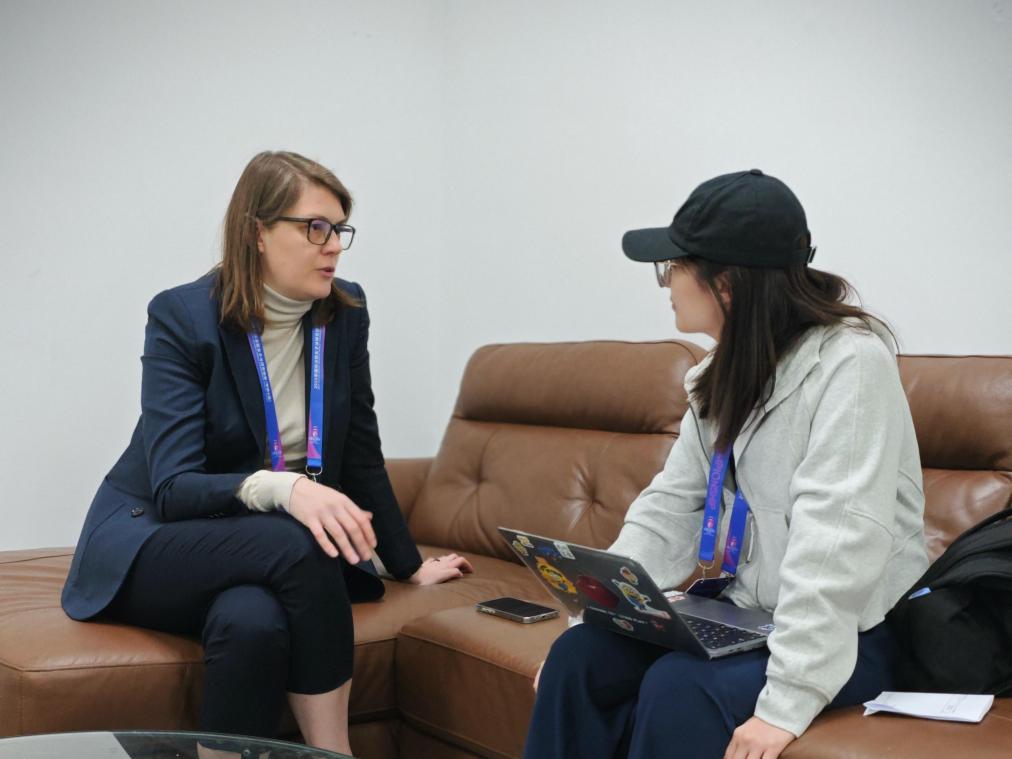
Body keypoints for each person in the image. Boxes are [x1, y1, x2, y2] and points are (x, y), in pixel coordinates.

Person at [61, 150, 473, 754]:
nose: (333, 247)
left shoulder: (344, 313)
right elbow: (173, 487)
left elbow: (361, 450)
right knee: (300, 540)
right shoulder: (183, 316)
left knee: (251, 622)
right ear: (257, 232)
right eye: (315, 228)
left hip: (262, 551)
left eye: (340, 230)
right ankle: (334, 752)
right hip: (157, 537)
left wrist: (406, 563)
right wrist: (286, 487)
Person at [524, 169, 928, 759]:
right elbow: (670, 511)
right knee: (578, 657)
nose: (665, 283)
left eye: (673, 266)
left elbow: (836, 546)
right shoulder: (721, 375)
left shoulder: (851, 366)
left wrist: (787, 702)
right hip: (750, 617)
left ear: (728, 284)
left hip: (854, 634)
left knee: (681, 688)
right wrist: (598, 611)